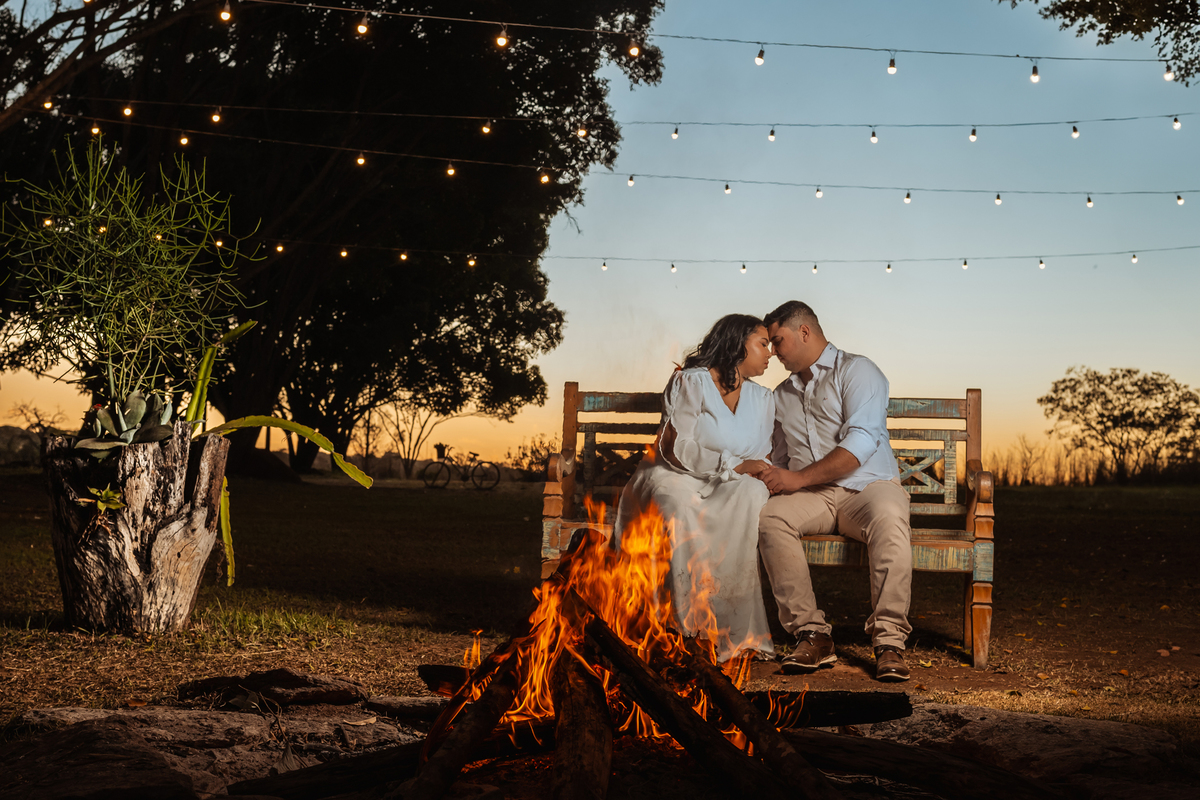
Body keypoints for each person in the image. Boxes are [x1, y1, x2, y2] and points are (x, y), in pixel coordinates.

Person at [756, 301, 913, 682]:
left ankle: (888, 642)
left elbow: (861, 444)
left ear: (804, 332)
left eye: (777, 341)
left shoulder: (859, 371)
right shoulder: (780, 396)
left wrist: (796, 479)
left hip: (869, 488)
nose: (773, 352)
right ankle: (812, 635)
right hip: (817, 497)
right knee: (771, 518)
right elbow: (778, 455)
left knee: (891, 517)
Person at [613, 314, 776, 662]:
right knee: (678, 504)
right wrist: (730, 464)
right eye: (763, 343)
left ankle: (730, 630)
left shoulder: (764, 399)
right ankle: (683, 630)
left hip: (729, 481)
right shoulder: (691, 382)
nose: (770, 353)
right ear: (737, 342)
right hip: (676, 474)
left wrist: (741, 470)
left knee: (751, 495)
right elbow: (675, 447)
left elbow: (759, 455)